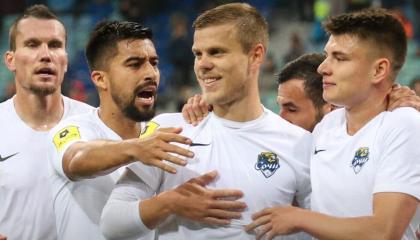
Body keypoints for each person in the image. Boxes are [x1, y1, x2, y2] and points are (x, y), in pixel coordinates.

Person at [100, 3, 312, 239]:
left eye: (216, 52)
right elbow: (111, 223)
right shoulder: (169, 130)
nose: (203, 64)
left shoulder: (298, 143)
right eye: (198, 54)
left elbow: (319, 227)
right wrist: (169, 203)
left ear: (255, 55)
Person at [47, 20, 237, 240]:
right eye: (134, 64)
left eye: (153, 63)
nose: (151, 73)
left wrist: (207, 115)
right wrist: (137, 148)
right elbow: (75, 160)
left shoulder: (163, 132)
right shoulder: (74, 128)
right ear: (101, 79)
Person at [246, 8, 420, 240]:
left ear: (378, 70)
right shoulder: (326, 127)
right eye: (327, 55)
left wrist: (299, 218)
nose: (323, 68)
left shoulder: (404, 123)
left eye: (339, 58)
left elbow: (383, 232)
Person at [0, 5, 94, 240]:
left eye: (54, 45)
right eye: (32, 44)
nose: (46, 55)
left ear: (65, 59)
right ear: (10, 60)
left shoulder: (96, 124)